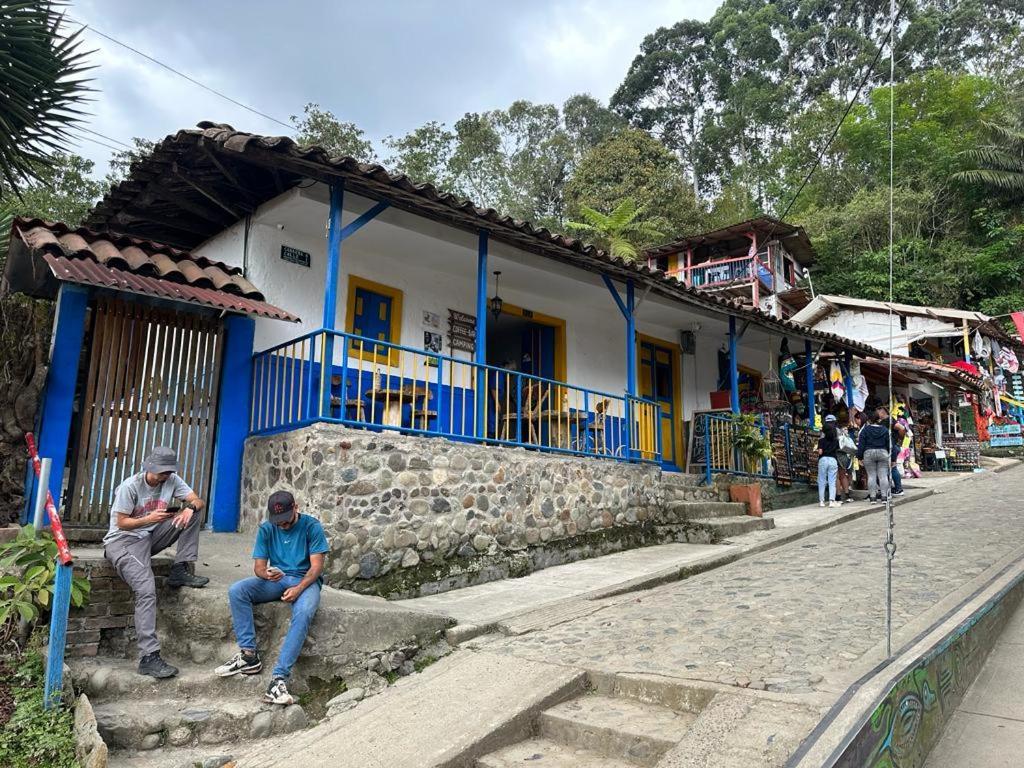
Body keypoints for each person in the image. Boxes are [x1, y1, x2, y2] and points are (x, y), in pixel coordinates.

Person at [215, 491, 330, 706]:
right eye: (279, 522)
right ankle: (249, 656)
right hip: (277, 579)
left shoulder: (311, 527)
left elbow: (316, 567)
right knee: (237, 590)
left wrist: (298, 588)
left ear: (295, 507)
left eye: (286, 521)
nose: (283, 526)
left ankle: (278, 679)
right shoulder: (268, 528)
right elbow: (258, 567)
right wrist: (266, 574)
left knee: (304, 613)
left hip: (306, 581)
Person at [104, 447, 208, 679]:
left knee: (192, 515)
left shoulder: (172, 479)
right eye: (162, 472)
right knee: (147, 591)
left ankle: (180, 568)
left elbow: (197, 500)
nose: (165, 476)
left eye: (169, 471)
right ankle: (148, 657)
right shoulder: (130, 486)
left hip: (150, 537)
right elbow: (121, 523)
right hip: (124, 542)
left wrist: (189, 508)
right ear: (149, 467)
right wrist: (148, 519)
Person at [857, 412, 892, 503]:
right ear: (879, 419)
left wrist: (859, 457)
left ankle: (873, 498)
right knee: (883, 476)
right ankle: (884, 497)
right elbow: (890, 444)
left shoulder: (865, 430)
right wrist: (893, 457)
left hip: (868, 453)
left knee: (871, 476)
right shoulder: (885, 430)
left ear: (869, 420)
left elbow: (861, 445)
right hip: (883, 452)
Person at [877, 406, 906, 496]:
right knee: (890, 467)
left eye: (878, 412)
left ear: (882, 412)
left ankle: (898, 489)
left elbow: (901, 428)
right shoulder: (885, 421)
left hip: (891, 447)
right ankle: (894, 488)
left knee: (892, 467)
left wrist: (899, 440)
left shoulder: (889, 420)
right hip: (891, 446)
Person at [817, 415, 841, 508]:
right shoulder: (836, 441)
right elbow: (838, 450)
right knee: (832, 481)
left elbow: (820, 452)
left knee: (822, 480)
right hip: (833, 460)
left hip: (823, 460)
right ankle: (832, 501)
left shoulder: (821, 440)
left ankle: (822, 501)